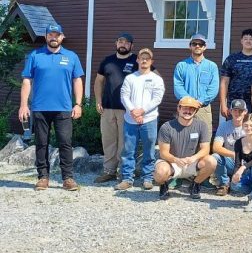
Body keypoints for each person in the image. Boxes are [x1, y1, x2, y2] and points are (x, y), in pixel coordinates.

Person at [19, 23, 84, 192]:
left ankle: (68, 178)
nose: (53, 38)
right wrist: (24, 105)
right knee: (41, 143)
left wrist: (78, 104)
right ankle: (43, 177)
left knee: (65, 143)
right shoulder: (35, 55)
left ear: (62, 37)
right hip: (40, 108)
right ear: (46, 37)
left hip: (63, 108)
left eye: (56, 35)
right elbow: (27, 80)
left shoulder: (71, 56)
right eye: (50, 35)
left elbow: (77, 80)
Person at [116, 48, 164, 191]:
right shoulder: (130, 78)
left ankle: (147, 178)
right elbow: (124, 96)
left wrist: (142, 111)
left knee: (149, 151)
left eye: (147, 58)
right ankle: (127, 179)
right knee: (128, 150)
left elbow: (157, 98)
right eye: (142, 58)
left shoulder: (157, 79)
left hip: (149, 119)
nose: (144, 60)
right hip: (130, 120)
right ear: (137, 60)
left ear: (151, 61)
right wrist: (133, 111)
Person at [93, 33, 138, 183]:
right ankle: (109, 171)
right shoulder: (107, 61)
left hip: (127, 110)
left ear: (131, 45)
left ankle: (123, 172)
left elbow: (153, 76)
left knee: (124, 142)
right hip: (107, 108)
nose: (123, 44)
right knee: (108, 141)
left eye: (126, 42)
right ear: (116, 43)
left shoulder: (137, 60)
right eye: (120, 41)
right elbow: (99, 81)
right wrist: (98, 100)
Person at [153, 96, 215, 200]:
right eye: (185, 108)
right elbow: (164, 153)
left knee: (212, 162)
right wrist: (176, 160)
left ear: (196, 111)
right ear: (179, 108)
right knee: (160, 172)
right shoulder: (166, 127)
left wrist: (193, 158)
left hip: (192, 162)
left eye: (191, 109)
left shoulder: (202, 126)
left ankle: (195, 185)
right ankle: (163, 185)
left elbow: (205, 149)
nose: (188, 111)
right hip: (172, 162)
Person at [211, 98, 252, 196]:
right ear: (230, 111)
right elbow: (216, 148)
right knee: (215, 157)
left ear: (245, 112)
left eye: (240, 111)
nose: (237, 113)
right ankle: (225, 184)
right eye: (235, 110)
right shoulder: (224, 126)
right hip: (234, 161)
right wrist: (235, 155)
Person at [173, 33, 219, 134]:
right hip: (185, 107)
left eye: (201, 44)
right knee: (182, 136)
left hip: (203, 108)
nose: (197, 46)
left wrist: (200, 101)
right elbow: (178, 86)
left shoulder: (212, 66)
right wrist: (189, 101)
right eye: (194, 44)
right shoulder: (181, 65)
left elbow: (213, 88)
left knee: (204, 137)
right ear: (190, 46)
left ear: (205, 47)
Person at [219, 28, 252, 117]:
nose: (248, 41)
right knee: (234, 126)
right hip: (235, 103)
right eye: (245, 39)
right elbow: (224, 82)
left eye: (251, 39)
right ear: (241, 41)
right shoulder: (231, 59)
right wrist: (223, 105)